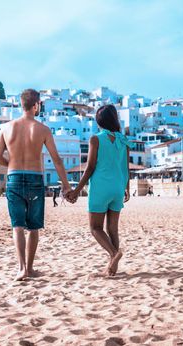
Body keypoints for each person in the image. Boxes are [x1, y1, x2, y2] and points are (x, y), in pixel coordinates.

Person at [0, 88, 71, 281]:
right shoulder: (43, 129)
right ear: (36, 105)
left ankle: (21, 269)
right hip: (35, 179)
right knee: (33, 227)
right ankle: (30, 268)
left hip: (14, 179)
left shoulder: (6, 128)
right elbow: (57, 160)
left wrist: (11, 165)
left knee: (17, 226)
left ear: (22, 105)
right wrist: (66, 185)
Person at [66, 105, 130, 276]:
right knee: (112, 229)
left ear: (99, 121)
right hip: (118, 187)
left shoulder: (96, 139)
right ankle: (112, 268)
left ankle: (114, 254)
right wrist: (127, 187)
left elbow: (90, 168)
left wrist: (77, 190)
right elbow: (126, 167)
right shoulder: (123, 140)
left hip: (101, 188)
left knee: (95, 228)